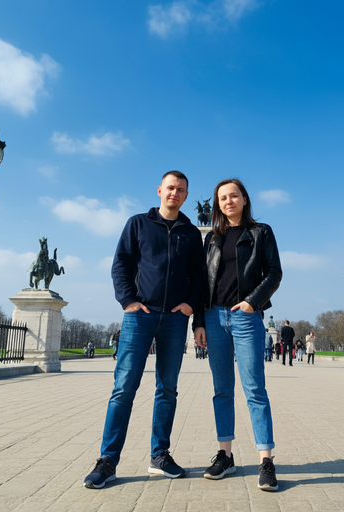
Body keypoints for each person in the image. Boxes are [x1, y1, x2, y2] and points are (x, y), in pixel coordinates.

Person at [83, 171, 203, 489]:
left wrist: (190, 305)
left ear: (186, 196)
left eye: (181, 190)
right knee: (124, 388)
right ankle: (107, 461)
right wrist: (128, 301)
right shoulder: (137, 223)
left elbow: (199, 276)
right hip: (140, 316)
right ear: (160, 190)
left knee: (167, 389)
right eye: (170, 188)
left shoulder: (192, 233)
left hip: (175, 319)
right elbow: (121, 263)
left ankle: (159, 456)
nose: (175, 193)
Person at [194, 178, 282, 492]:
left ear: (244, 199)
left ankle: (266, 460)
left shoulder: (261, 232)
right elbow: (203, 283)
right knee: (222, 390)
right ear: (217, 204)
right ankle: (226, 455)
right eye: (222, 198)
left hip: (245, 317)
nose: (228, 201)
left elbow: (274, 272)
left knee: (255, 389)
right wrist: (198, 323)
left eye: (234, 196)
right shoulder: (212, 238)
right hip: (214, 317)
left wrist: (252, 302)